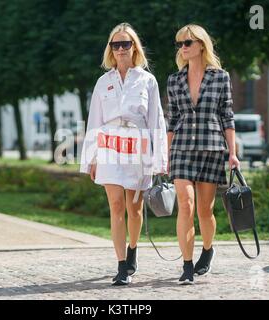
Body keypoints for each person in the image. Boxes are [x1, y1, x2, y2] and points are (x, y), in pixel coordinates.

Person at [80, 22, 168, 286]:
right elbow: (94, 121)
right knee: (116, 206)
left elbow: (156, 121)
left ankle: (133, 250)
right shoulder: (102, 82)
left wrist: (159, 159)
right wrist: (91, 157)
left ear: (134, 47)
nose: (120, 49)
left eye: (125, 44)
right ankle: (121, 266)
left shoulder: (147, 80)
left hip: (138, 146)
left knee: (135, 208)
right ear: (111, 49)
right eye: (115, 45)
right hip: (109, 146)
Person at [166, 24, 240, 285]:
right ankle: (186, 266)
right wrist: (167, 155)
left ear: (201, 45)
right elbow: (172, 119)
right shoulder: (174, 80)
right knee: (185, 205)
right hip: (182, 148)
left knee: (204, 211)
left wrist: (233, 153)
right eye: (180, 44)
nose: (183, 47)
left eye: (187, 42)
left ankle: (207, 251)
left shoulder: (220, 77)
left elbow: (227, 116)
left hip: (212, 147)